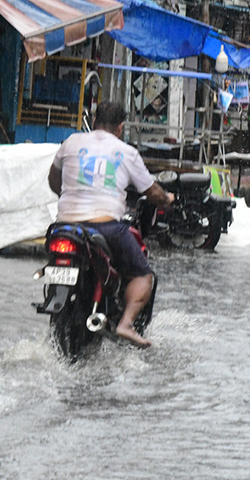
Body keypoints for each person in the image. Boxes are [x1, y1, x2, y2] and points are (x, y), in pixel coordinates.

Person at [48, 100, 174, 347]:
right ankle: (126, 323)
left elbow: (54, 181)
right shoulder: (127, 152)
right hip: (105, 227)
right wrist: (167, 199)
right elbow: (153, 193)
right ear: (121, 127)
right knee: (142, 274)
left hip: (64, 227)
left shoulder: (70, 142)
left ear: (94, 122)